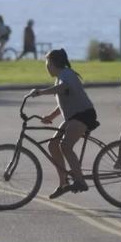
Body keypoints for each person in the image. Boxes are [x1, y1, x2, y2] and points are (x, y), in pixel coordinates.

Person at [27, 48, 99, 199]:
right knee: (52, 145)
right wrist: (51, 116)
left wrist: (40, 92)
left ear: (54, 64)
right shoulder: (60, 77)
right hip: (72, 118)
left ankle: (80, 181)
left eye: (47, 63)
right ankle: (63, 183)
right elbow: (63, 103)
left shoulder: (67, 74)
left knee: (65, 146)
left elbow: (63, 88)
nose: (46, 67)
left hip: (84, 115)